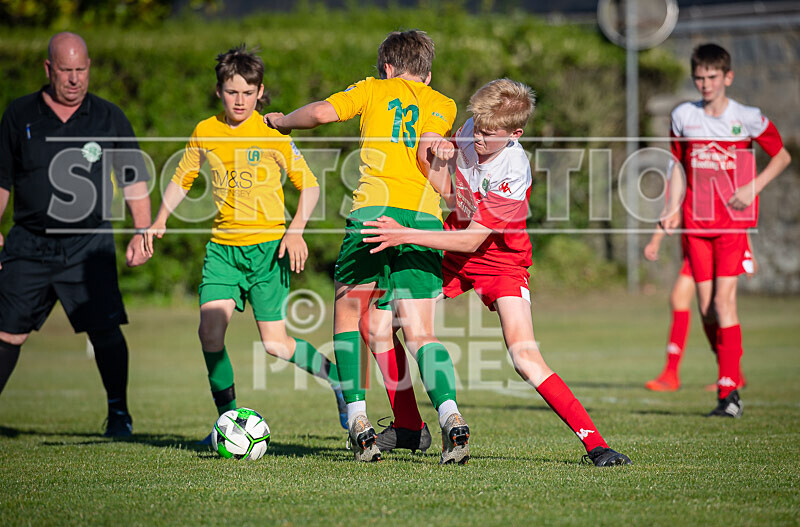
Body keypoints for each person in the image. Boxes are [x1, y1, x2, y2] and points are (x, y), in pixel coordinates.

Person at [361, 78, 632, 466]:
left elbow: (474, 241)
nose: (479, 138)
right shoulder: (472, 129)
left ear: (515, 134)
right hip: (454, 247)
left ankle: (596, 444)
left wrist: (403, 233)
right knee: (377, 326)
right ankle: (408, 426)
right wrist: (432, 148)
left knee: (524, 356)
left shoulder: (513, 169)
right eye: (477, 128)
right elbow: (444, 185)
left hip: (500, 259)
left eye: (490, 134)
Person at [265, 30, 468, 464]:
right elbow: (430, 145)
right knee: (420, 332)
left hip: (372, 218)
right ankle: (450, 415)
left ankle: (358, 419)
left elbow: (320, 114)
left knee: (348, 314)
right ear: (427, 75)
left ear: (388, 68)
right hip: (421, 221)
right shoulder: (443, 103)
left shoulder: (371, 89)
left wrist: (281, 121)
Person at [141, 46, 347, 434]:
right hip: (223, 251)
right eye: (232, 91)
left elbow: (310, 186)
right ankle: (228, 421)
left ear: (260, 92)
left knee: (275, 344)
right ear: (219, 90)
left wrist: (296, 229)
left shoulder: (272, 132)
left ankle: (334, 377)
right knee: (209, 332)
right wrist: (159, 220)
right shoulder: (206, 131)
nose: (240, 100)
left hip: (268, 252)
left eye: (248, 93)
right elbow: (182, 177)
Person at [0, 32, 152, 437]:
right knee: (7, 332)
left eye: (81, 70)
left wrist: (142, 231)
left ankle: (119, 415)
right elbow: (1, 181)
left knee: (104, 329)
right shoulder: (19, 115)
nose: (74, 79)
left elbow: (133, 179)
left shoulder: (108, 117)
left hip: (89, 246)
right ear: (48, 69)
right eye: (65, 70)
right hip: (28, 243)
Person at [662, 43, 791, 417]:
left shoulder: (747, 118)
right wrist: (671, 208)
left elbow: (781, 155)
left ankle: (728, 394)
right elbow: (678, 167)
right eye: (699, 78)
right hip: (695, 225)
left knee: (723, 302)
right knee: (706, 310)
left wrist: (753, 186)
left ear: (727, 77)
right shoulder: (683, 116)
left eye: (712, 77)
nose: (705, 84)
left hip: (733, 225)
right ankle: (730, 372)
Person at [643, 227, 755, 392]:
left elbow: (738, 216)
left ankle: (673, 373)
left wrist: (749, 252)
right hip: (696, 244)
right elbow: (673, 211)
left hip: (713, 241)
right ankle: (733, 373)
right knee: (706, 311)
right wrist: (656, 239)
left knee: (716, 306)